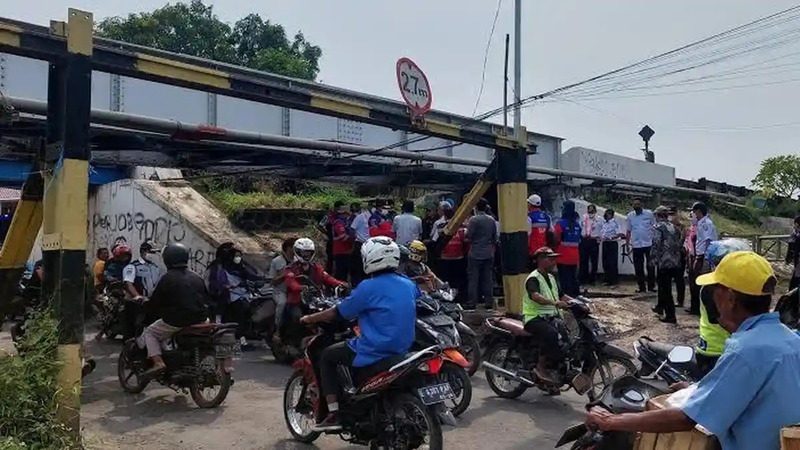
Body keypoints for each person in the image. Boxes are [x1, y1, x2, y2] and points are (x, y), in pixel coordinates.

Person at [585, 251, 800, 450]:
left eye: (716, 290)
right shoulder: (791, 339)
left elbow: (687, 418)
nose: (712, 298)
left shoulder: (745, 350)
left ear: (731, 298)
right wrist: (697, 388)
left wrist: (611, 421)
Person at [299, 236, 417, 431]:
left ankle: (334, 412)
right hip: (403, 348)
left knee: (328, 356)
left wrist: (310, 319)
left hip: (374, 349)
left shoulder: (368, 287)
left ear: (369, 258)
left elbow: (339, 312)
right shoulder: (407, 284)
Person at [139, 243, 214, 379]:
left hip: (178, 320)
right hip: (201, 318)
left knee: (150, 332)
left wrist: (147, 308)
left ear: (168, 259)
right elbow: (206, 299)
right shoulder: (196, 276)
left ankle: (158, 363)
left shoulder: (168, 278)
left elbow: (155, 302)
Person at [523, 247, 573, 383]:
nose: (554, 262)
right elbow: (536, 296)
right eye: (550, 259)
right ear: (540, 260)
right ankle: (541, 367)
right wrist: (555, 303)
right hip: (534, 318)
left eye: (554, 259)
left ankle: (556, 368)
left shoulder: (552, 277)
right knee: (551, 334)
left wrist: (577, 302)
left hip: (551, 317)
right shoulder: (533, 278)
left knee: (567, 339)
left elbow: (562, 295)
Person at [283, 238, 347, 330]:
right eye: (304, 252)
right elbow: (292, 283)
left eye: (308, 252)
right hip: (297, 302)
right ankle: (292, 341)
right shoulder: (290, 268)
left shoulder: (316, 267)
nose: (306, 255)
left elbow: (327, 278)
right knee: (298, 319)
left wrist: (341, 284)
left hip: (317, 301)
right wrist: (303, 288)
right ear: (297, 252)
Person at [651, 206, 683, 324]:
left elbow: (656, 243)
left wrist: (653, 258)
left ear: (658, 215)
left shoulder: (658, 227)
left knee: (665, 288)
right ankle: (661, 307)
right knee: (666, 286)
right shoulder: (674, 227)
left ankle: (670, 315)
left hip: (664, 261)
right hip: (675, 261)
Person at [465, 198, 498, 310]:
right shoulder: (491, 220)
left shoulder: (473, 220)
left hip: (475, 252)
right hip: (488, 252)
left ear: (475, 207)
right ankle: (489, 302)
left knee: (473, 278)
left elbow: (468, 236)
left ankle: (472, 302)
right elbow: (495, 238)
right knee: (488, 278)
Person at [688, 201, 718, 315]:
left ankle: (702, 309)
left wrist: (704, 258)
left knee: (700, 283)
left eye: (693, 212)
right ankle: (695, 307)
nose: (692, 215)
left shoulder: (706, 224)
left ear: (698, 212)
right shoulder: (700, 223)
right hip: (698, 256)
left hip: (703, 257)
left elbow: (707, 241)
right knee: (694, 283)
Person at [437, 207, 468, 303]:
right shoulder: (461, 228)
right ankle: (457, 298)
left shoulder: (440, 226)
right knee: (457, 280)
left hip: (445, 257)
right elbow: (465, 241)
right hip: (458, 257)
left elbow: (435, 240)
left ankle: (446, 298)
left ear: (445, 216)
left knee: (445, 280)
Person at [268, 237, 296, 342]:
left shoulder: (298, 260)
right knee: (282, 304)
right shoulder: (277, 261)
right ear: (287, 248)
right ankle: (277, 330)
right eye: (293, 248)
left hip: (295, 290)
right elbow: (272, 281)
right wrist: (284, 276)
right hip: (281, 290)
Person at [626, 198, 656, 293]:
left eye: (638, 204)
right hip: (636, 245)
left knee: (650, 266)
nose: (636, 206)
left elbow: (654, 227)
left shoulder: (649, 214)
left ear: (641, 205)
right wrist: (627, 244)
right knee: (638, 267)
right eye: (634, 204)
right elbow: (628, 230)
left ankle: (651, 287)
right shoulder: (630, 216)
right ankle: (641, 287)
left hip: (648, 244)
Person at [554, 200, 582, 297]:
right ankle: (576, 298)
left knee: (565, 280)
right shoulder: (577, 224)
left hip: (562, 256)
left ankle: (567, 301)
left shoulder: (560, 223)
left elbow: (556, 239)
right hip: (575, 257)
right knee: (573, 279)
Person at [527, 194, 553, 270]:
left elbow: (527, 234)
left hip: (532, 251)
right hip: (544, 249)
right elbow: (551, 232)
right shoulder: (547, 216)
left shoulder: (528, 217)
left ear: (530, 204)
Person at [668, 206, 687, 308]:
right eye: (670, 214)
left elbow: (681, 240)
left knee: (679, 279)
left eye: (673, 214)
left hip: (679, 255)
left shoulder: (682, 227)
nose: (672, 217)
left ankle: (680, 300)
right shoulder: (667, 226)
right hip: (669, 256)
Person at [580, 204, 603, 285]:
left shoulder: (599, 219)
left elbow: (602, 229)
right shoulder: (584, 217)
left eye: (592, 209)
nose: (590, 211)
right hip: (584, 240)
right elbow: (580, 227)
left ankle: (593, 279)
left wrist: (599, 238)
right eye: (589, 209)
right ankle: (583, 278)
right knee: (583, 260)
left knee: (594, 261)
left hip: (594, 240)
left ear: (595, 210)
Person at [348, 202, 370, 286]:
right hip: (364, 244)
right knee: (361, 267)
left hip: (361, 244)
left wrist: (351, 240)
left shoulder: (360, 217)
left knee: (358, 267)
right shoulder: (366, 216)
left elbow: (352, 229)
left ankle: (358, 286)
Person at [600, 208, 624, 286]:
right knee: (605, 262)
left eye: (610, 214)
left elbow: (620, 233)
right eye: (607, 213)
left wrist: (612, 237)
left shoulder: (615, 223)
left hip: (612, 243)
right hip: (605, 243)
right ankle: (607, 279)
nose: (608, 215)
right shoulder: (604, 223)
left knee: (612, 262)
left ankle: (614, 280)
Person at [331, 202, 353, 282]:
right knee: (341, 273)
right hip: (340, 251)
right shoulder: (339, 223)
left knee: (345, 272)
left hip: (346, 251)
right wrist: (353, 236)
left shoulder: (344, 223)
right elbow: (343, 237)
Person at [784, 215, 799, 304]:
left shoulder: (795, 235)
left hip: (798, 264)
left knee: (795, 282)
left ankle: (792, 301)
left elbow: (791, 248)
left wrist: (788, 259)